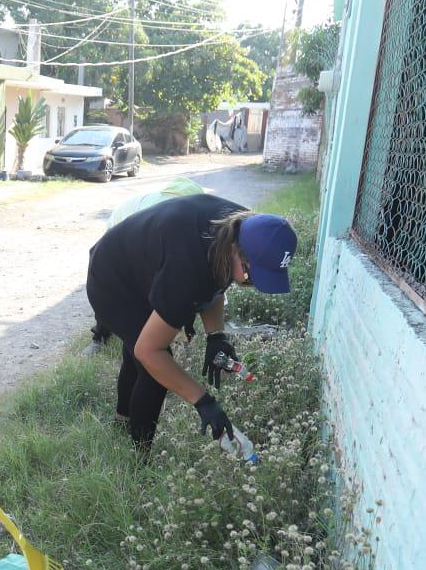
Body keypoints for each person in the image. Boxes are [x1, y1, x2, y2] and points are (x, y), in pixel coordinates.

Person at [86, 192, 297, 450]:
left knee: (137, 349)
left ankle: (122, 420)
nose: (250, 283)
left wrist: (216, 335)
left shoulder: (246, 227)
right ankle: (137, 458)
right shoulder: (187, 271)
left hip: (140, 265)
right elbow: (148, 350)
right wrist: (203, 401)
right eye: (251, 275)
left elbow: (218, 278)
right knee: (151, 365)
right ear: (235, 248)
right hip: (111, 280)